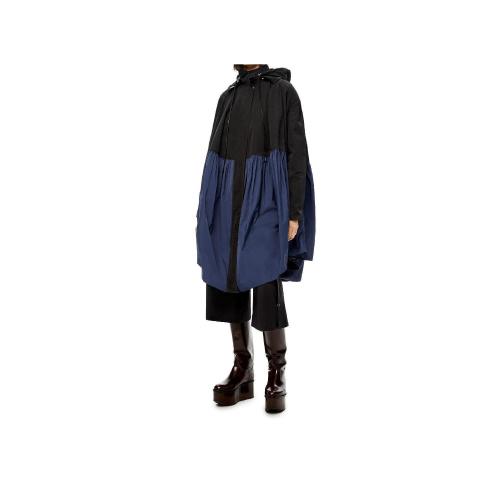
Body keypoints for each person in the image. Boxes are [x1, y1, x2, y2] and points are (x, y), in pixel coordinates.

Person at [196, 64, 316, 413]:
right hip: (227, 199)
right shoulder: (228, 98)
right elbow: (213, 156)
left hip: (266, 200)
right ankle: (243, 366)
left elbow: (297, 153)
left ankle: (277, 370)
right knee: (227, 274)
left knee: (264, 275)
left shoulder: (283, 93)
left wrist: (294, 211)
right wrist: (208, 208)